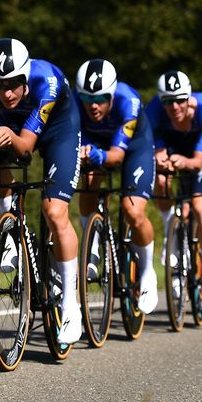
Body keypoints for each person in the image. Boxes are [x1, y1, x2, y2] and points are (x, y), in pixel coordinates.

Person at [0, 38, 83, 344]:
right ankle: (9, 227)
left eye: (14, 84)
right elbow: (2, 139)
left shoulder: (45, 81)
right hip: (16, 126)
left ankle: (71, 302)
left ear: (25, 76)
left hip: (58, 131)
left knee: (54, 212)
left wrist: (7, 134)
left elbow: (25, 148)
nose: (7, 93)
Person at [74, 59, 158, 314]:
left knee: (132, 210)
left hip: (133, 149)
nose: (93, 105)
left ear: (111, 93)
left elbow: (116, 157)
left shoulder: (128, 101)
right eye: (87, 99)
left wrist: (99, 156)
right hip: (95, 143)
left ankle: (147, 272)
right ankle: (94, 243)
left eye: (100, 98)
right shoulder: (75, 104)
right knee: (88, 187)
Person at [145, 70, 202, 311]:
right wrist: (162, 160)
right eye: (168, 101)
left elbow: (198, 161)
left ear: (189, 97)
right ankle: (171, 229)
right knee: (162, 180)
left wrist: (183, 161)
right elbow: (156, 149)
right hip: (172, 144)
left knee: (199, 205)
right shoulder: (154, 110)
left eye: (180, 100)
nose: (174, 106)